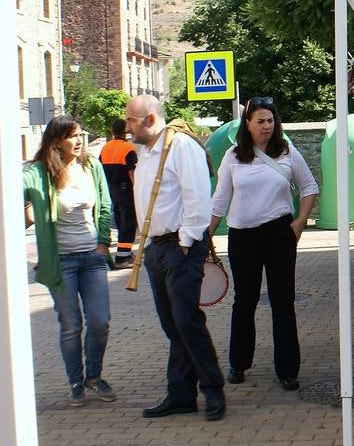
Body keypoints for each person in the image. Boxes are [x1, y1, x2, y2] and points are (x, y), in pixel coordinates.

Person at [126, 94, 227, 421]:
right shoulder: (147, 152)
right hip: (159, 248)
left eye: (131, 120)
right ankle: (181, 393)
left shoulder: (181, 146)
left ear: (150, 120)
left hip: (179, 247)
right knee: (173, 325)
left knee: (187, 321)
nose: (127, 126)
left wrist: (184, 243)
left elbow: (198, 197)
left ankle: (212, 389)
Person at [208, 96, 319, 391]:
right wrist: (205, 235)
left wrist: (300, 223)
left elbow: (309, 187)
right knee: (245, 300)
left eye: (271, 120)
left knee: (283, 301)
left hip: (280, 233)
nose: (267, 126)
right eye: (260, 121)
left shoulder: (287, 151)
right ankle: (238, 363)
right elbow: (220, 200)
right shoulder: (233, 156)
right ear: (248, 124)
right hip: (243, 236)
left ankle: (288, 369)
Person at [22, 115, 118, 408]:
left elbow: (104, 205)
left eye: (80, 135)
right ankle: (75, 382)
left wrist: (103, 242)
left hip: (92, 258)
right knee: (70, 324)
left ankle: (94, 376)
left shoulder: (91, 166)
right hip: (61, 262)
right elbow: (12, 189)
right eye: (73, 136)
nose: (79, 141)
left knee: (100, 321)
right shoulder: (39, 173)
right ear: (56, 140)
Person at [100, 119, 138, 268]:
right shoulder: (128, 148)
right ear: (126, 130)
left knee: (119, 221)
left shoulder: (105, 147)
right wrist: (138, 190)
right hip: (125, 190)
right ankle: (122, 258)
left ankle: (126, 254)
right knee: (128, 223)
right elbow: (132, 172)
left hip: (110, 190)